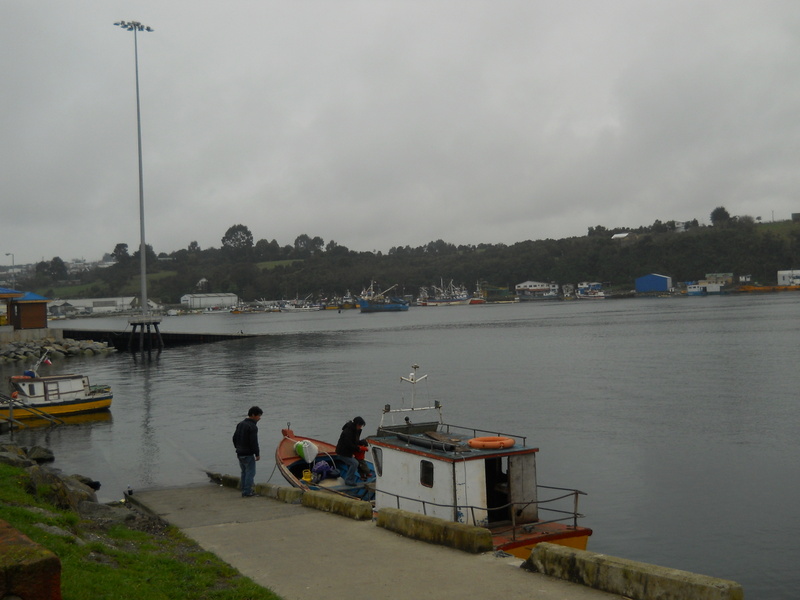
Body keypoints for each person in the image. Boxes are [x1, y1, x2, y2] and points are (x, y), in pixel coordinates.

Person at [232, 406, 263, 497]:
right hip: (248, 453)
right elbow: (254, 442)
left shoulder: (240, 424)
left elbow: (234, 438)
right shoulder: (252, 427)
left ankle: (244, 489)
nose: (259, 418)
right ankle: (247, 492)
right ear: (253, 415)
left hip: (239, 453)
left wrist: (237, 448)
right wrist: (257, 454)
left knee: (244, 472)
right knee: (250, 472)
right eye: (259, 416)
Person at [335, 416, 368, 486]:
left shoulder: (354, 431)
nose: (360, 427)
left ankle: (351, 480)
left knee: (351, 465)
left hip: (347, 452)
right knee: (355, 463)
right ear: (357, 424)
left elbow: (354, 441)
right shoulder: (348, 431)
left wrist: (361, 442)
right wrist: (357, 448)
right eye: (360, 425)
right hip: (342, 453)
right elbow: (348, 444)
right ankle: (348, 480)